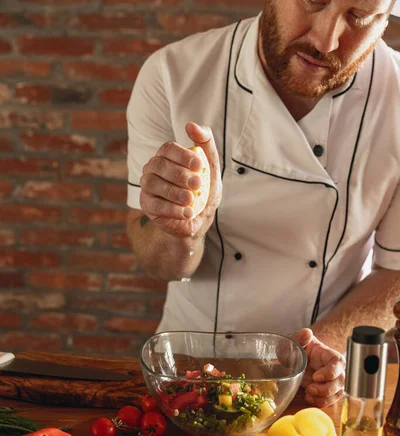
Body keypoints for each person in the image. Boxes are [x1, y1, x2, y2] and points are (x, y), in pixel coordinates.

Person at [125, 0, 400, 407]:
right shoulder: (174, 73)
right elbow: (158, 264)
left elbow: (395, 272)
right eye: (313, 1)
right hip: (191, 371)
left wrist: (306, 359)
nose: (325, 40)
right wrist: (183, 233)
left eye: (357, 17)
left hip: (320, 379)